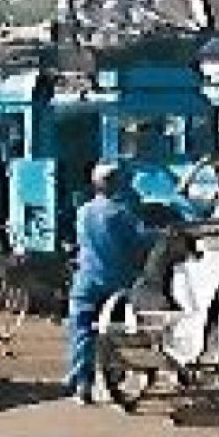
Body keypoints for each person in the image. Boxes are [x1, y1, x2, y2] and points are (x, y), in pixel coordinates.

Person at [66, 163, 155, 404]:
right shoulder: (121, 213)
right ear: (116, 184)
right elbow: (139, 243)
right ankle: (120, 369)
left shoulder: (83, 212)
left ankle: (81, 384)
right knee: (129, 323)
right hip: (117, 280)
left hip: (87, 280)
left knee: (81, 328)